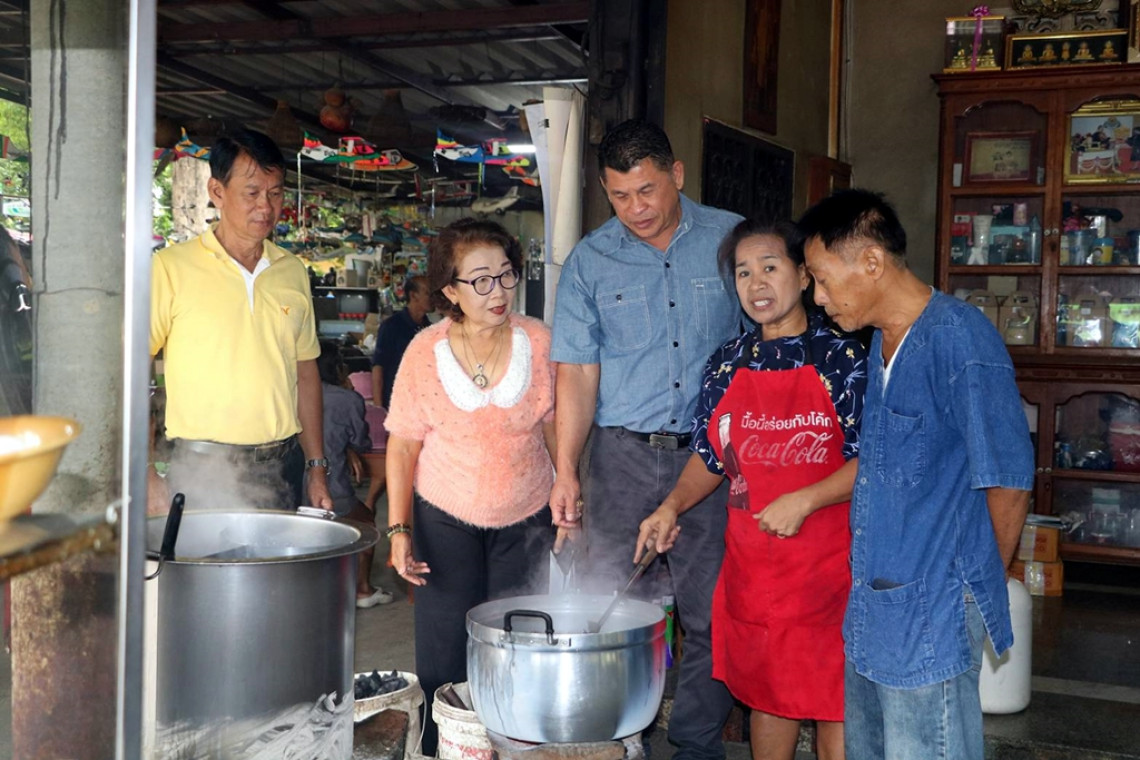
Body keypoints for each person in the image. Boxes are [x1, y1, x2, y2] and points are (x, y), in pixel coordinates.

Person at [799, 189, 1034, 760]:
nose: (818, 297)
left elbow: (1008, 482)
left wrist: (972, 597)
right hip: (874, 610)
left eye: (823, 279)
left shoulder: (959, 339)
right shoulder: (881, 341)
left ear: (871, 262)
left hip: (933, 613)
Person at [636, 219, 866, 760]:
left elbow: (875, 459)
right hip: (754, 567)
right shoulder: (727, 362)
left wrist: (806, 499)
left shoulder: (842, 357)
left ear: (804, 276)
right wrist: (670, 506)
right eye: (743, 273)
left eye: (770, 267)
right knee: (768, 695)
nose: (756, 283)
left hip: (829, 566)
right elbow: (712, 457)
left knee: (834, 699)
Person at [550, 119, 741, 760]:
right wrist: (566, 470)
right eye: (620, 196)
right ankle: (620, 738)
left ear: (676, 175)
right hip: (622, 458)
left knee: (709, 612)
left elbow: (765, 345)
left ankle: (695, 745)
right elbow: (578, 373)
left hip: (710, 461)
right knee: (615, 610)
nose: (636, 209)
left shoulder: (730, 241)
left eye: (647, 190)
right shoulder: (590, 260)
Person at [384, 218, 559, 756]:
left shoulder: (538, 341)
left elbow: (556, 427)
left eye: (506, 275)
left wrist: (571, 497)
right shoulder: (424, 350)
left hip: (527, 515)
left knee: (518, 643)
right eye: (480, 280)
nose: (498, 291)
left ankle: (514, 746)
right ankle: (445, 747)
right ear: (450, 290)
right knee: (444, 650)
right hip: (444, 516)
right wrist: (398, 530)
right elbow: (403, 445)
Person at [150, 127, 332, 511]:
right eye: (251, 193)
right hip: (202, 470)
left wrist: (316, 466)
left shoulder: (292, 271)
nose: (265, 207)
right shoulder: (170, 268)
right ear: (217, 192)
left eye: (275, 193)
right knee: (200, 552)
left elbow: (305, 372)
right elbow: (132, 370)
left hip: (281, 467)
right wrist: (146, 469)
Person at [314, 341, 393, 608]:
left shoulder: (292, 394)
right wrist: (348, 446)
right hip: (331, 489)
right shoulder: (347, 399)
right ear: (337, 368)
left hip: (293, 488)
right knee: (366, 522)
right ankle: (362, 590)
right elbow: (362, 442)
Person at [371, 275, 432, 410]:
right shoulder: (392, 326)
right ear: (413, 295)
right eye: (428, 293)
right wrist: (379, 408)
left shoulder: (430, 329)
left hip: (423, 403)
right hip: (397, 402)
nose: (433, 298)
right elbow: (378, 367)